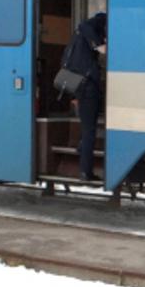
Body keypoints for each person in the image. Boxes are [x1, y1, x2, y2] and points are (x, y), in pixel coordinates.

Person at [64, 12, 107, 181]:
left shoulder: (77, 42)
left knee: (87, 126)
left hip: (79, 88)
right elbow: (86, 26)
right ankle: (85, 171)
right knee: (89, 130)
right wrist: (99, 44)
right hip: (88, 89)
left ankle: (82, 149)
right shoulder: (89, 34)